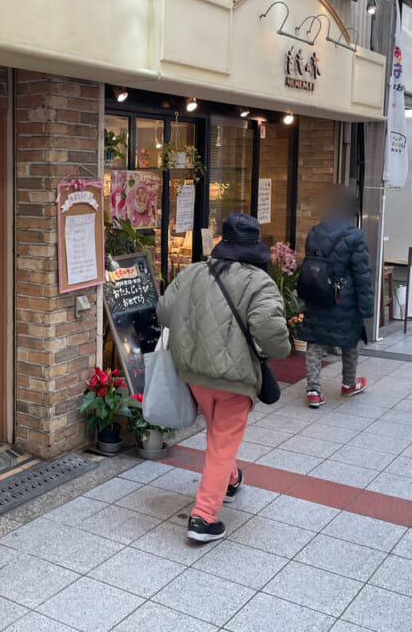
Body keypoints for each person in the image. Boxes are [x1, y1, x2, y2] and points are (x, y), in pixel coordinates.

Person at [157, 213, 290, 542]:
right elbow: (271, 331)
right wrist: (280, 350)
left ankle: (230, 479)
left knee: (219, 436)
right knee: (222, 440)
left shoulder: (193, 273)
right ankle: (203, 517)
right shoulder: (260, 283)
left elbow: (163, 311)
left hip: (194, 374)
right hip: (234, 380)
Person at [301, 187, 374, 409]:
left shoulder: (313, 233)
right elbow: (362, 275)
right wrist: (367, 308)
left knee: (314, 342)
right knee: (349, 341)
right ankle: (349, 384)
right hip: (345, 298)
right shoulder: (355, 236)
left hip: (317, 294)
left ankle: (313, 390)